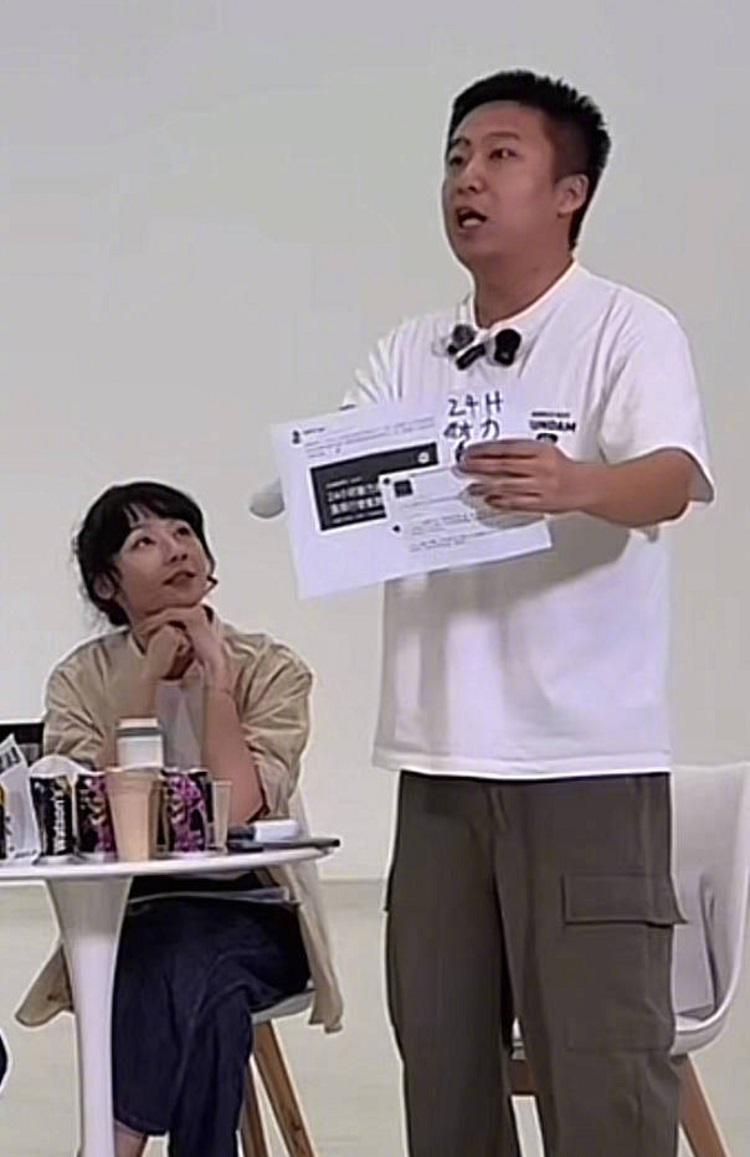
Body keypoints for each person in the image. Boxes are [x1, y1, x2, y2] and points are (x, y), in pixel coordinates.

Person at [345, 70, 714, 1156]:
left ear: (569, 192)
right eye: (457, 157)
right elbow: (343, 478)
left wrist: (576, 483)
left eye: (500, 155)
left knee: (603, 1075)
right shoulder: (407, 351)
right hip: (437, 758)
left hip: (583, 759)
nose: (468, 177)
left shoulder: (626, 328)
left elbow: (672, 478)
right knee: (444, 1075)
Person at [17, 481, 342, 1157]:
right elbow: (93, 814)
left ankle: (112, 1143)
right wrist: (147, 681)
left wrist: (217, 682)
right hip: (132, 916)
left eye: (184, 533)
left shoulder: (269, 668)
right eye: (145, 541)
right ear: (107, 585)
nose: (174, 550)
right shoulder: (80, 680)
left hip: (256, 915)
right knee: (209, 991)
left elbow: (238, 808)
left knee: (187, 954)